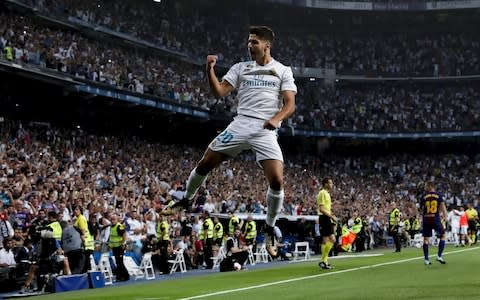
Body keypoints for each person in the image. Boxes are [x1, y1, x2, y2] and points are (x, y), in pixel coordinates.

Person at [168, 26, 297, 257]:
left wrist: (276, 119)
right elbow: (219, 92)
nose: (250, 46)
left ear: (267, 45)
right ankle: (186, 200)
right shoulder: (240, 68)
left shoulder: (282, 70)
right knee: (205, 163)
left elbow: (290, 104)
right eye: (249, 42)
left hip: (265, 129)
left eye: (254, 42)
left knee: (277, 181)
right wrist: (209, 69)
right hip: (240, 124)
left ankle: (269, 227)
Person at [419, 181, 448, 265]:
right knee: (442, 235)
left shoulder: (424, 196)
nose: (424, 188)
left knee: (426, 239)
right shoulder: (439, 195)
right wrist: (445, 216)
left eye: (425, 186)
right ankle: (439, 256)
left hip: (426, 218)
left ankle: (426, 259)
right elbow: (442, 206)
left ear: (430, 186)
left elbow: (421, 209)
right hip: (435, 218)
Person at [317, 178, 336, 269]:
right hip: (325, 218)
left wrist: (331, 215)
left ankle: (324, 262)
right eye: (330, 183)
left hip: (326, 217)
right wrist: (331, 216)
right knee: (332, 239)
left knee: (326, 240)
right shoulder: (322, 193)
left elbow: (326, 208)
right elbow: (321, 208)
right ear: (325, 184)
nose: (332, 184)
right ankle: (323, 260)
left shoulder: (327, 194)